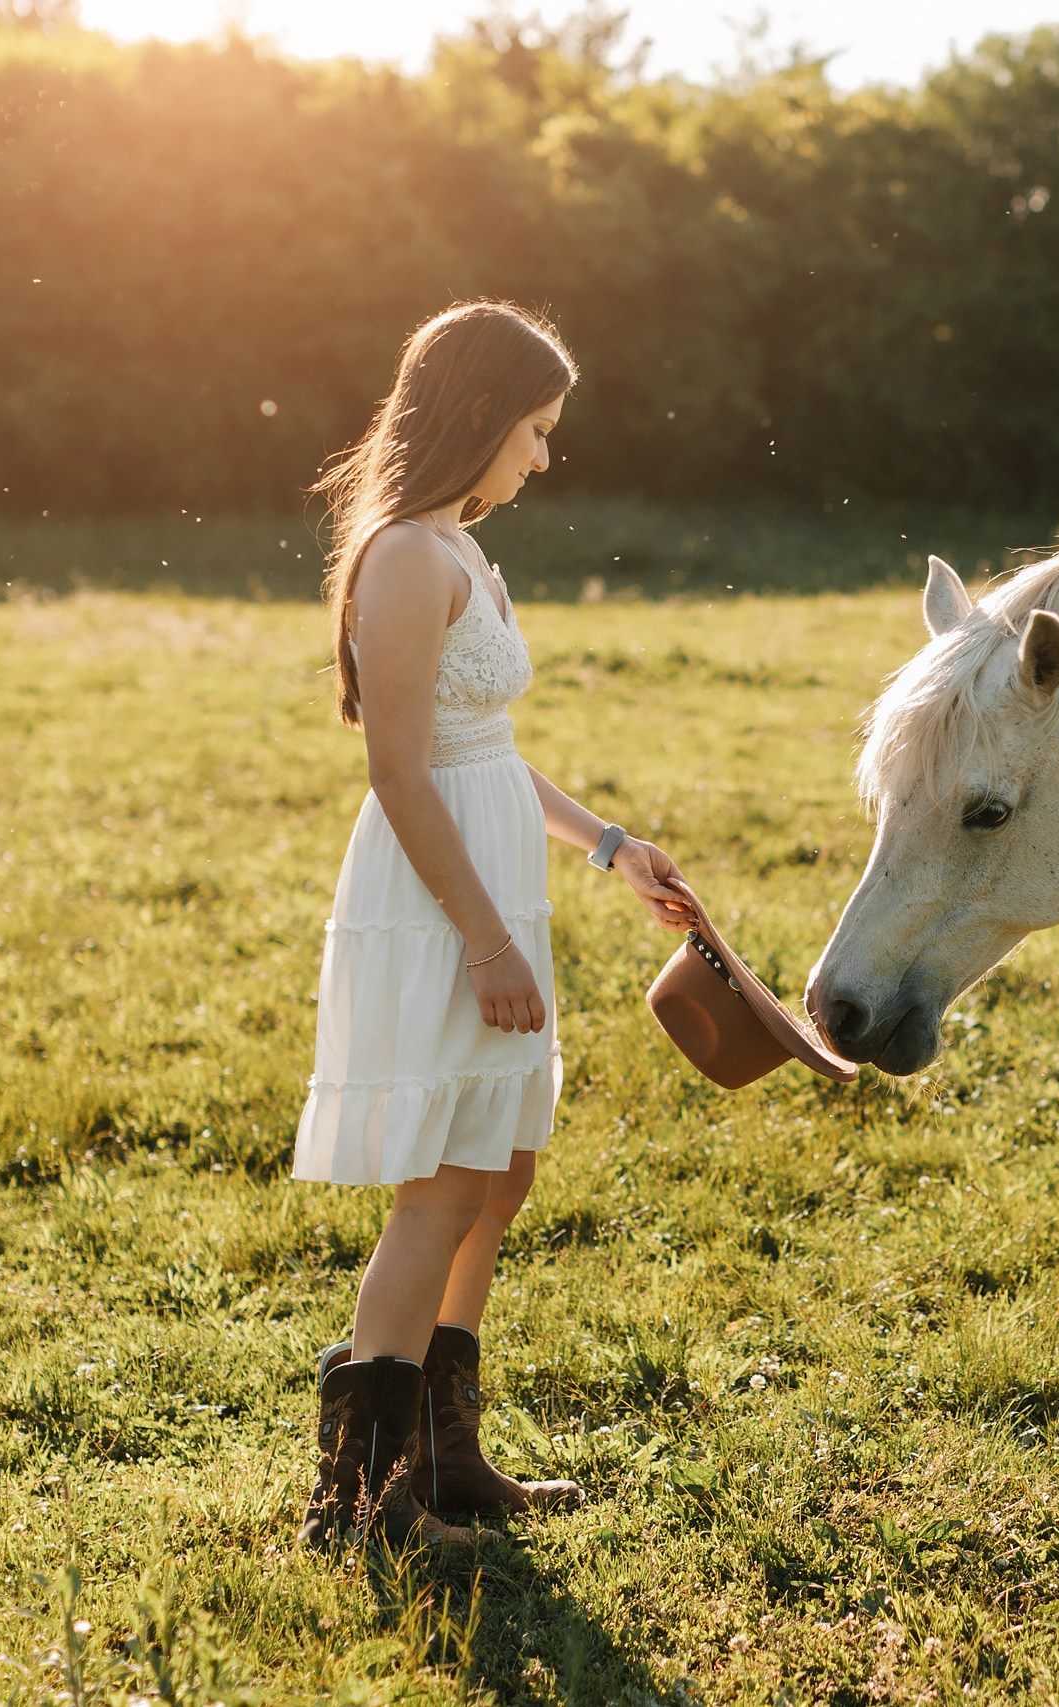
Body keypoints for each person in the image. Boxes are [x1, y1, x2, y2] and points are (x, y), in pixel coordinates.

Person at [290, 301, 690, 1548]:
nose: (544, 457)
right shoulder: (406, 556)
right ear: (478, 417)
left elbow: (486, 751)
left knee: (500, 1173)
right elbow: (403, 774)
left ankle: (443, 1458)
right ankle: (356, 1504)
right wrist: (484, 938)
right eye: (534, 429)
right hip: (440, 897)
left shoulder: (464, 547)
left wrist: (612, 846)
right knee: (442, 1186)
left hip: (497, 872)